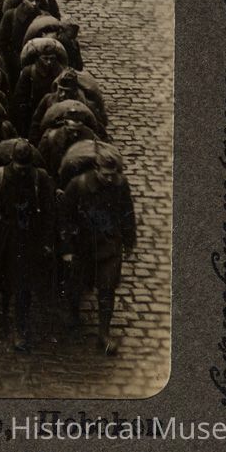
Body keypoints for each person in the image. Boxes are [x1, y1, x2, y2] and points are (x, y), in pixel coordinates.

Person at [0, 140, 57, 352]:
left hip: (29, 237)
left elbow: (49, 212)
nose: (22, 171)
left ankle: (21, 329)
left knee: (24, 286)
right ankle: (2, 310)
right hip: (4, 236)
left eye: (25, 167)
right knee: (2, 279)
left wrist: (47, 242)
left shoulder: (40, 178)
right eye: (19, 166)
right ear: (12, 160)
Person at [59, 145, 138, 355]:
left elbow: (127, 212)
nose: (110, 179)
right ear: (96, 169)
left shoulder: (120, 184)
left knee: (107, 288)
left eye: (113, 174)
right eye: (106, 175)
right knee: (76, 285)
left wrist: (130, 241)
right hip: (82, 245)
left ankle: (104, 334)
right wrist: (67, 248)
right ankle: (73, 316)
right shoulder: (78, 185)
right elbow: (64, 217)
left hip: (109, 245)